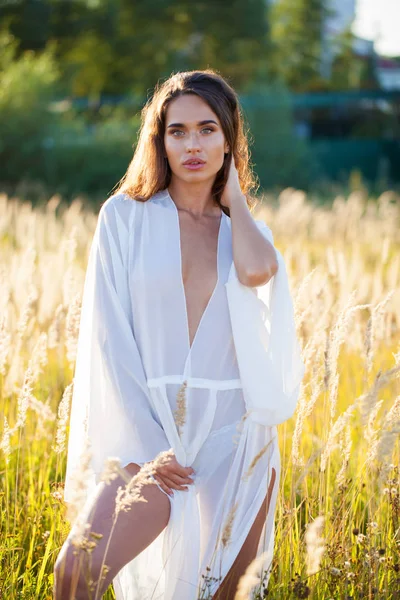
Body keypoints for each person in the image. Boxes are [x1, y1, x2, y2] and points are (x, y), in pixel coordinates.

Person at [53, 69, 305, 600]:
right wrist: (147, 449)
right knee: (75, 573)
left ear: (229, 138)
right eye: (178, 131)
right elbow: (107, 338)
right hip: (149, 428)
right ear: (159, 140)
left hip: (236, 434)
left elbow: (261, 275)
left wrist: (234, 198)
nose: (193, 144)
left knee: (219, 591)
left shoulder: (245, 233)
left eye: (208, 129)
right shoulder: (124, 218)